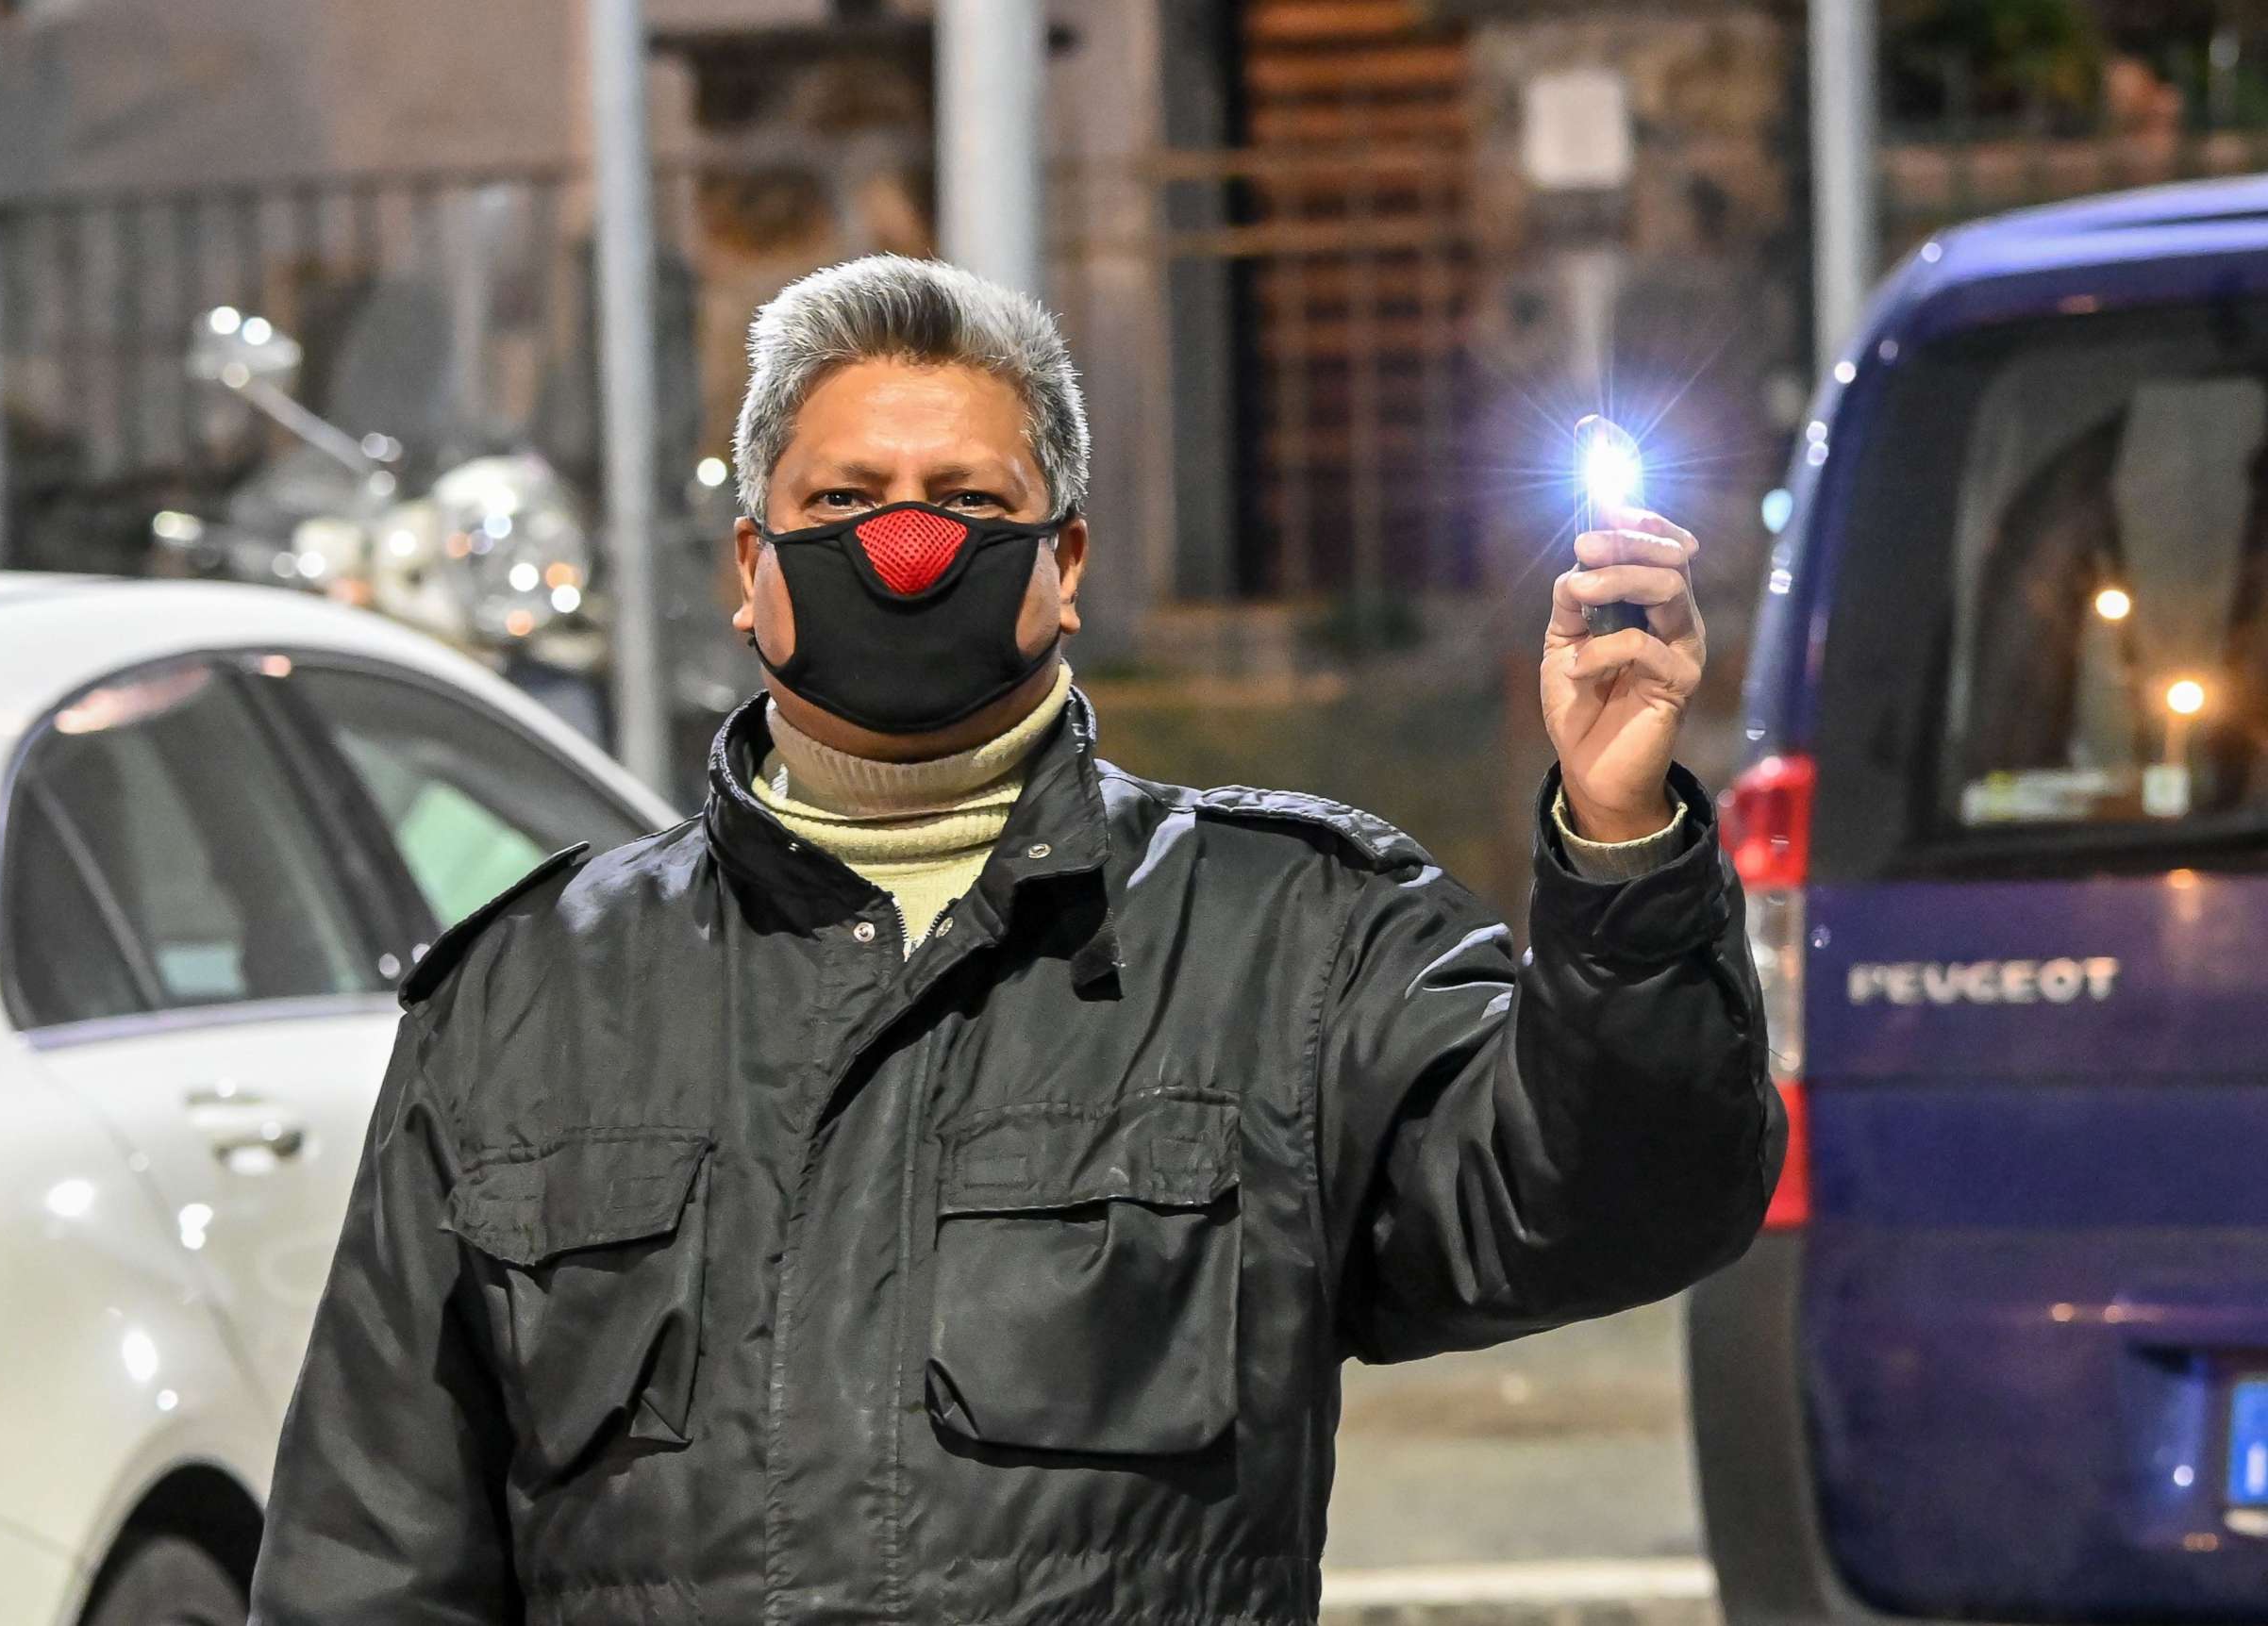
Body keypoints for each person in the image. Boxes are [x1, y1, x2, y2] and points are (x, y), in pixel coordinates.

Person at [251, 255, 1784, 1626]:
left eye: (971, 504)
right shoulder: (531, 998)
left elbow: (1616, 1204)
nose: (907, 545)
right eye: (845, 502)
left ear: (1063, 566)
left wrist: (1621, 840)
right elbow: (371, 1554)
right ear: (748, 571)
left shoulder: (1292, 941)